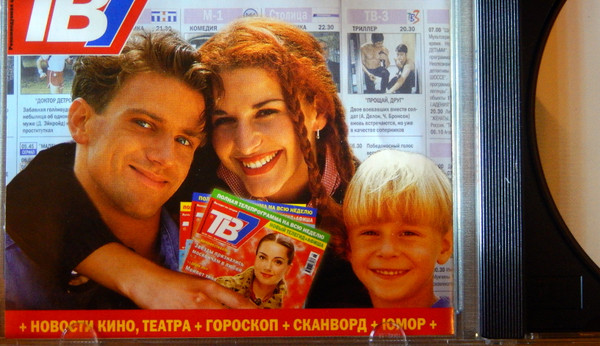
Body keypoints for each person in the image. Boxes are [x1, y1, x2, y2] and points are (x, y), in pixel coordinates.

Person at [6, 17, 364, 309]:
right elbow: (40, 184)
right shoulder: (194, 168)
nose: (245, 142)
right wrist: (139, 278)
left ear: (318, 110)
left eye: (267, 112)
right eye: (224, 119)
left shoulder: (367, 198)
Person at [6, 31, 253, 310]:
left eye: (184, 140)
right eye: (143, 124)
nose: (165, 158)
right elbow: (37, 181)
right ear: (81, 121)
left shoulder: (235, 261)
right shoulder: (11, 272)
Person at [342, 149, 453, 308]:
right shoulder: (336, 321)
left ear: (444, 246)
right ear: (349, 247)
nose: (387, 251)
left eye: (408, 233)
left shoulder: (455, 320)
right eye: (370, 233)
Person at [216, 233, 294, 309]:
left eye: (278, 262)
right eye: (262, 257)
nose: (267, 267)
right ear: (256, 257)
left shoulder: (289, 306)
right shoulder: (224, 286)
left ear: (288, 269)